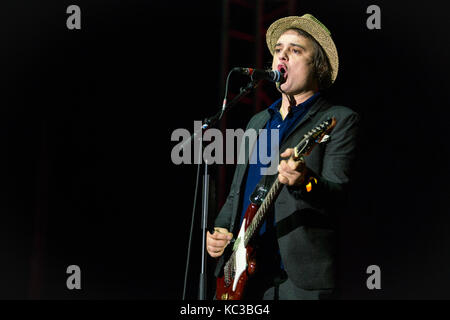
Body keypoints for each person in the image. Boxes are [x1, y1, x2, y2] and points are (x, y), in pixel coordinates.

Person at [207, 14, 359, 300]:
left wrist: (305, 181)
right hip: (240, 274)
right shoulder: (259, 122)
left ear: (319, 65)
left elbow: (339, 195)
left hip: (296, 280)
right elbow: (237, 191)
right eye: (278, 50)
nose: (282, 57)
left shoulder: (337, 119)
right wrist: (221, 229)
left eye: (295, 50)